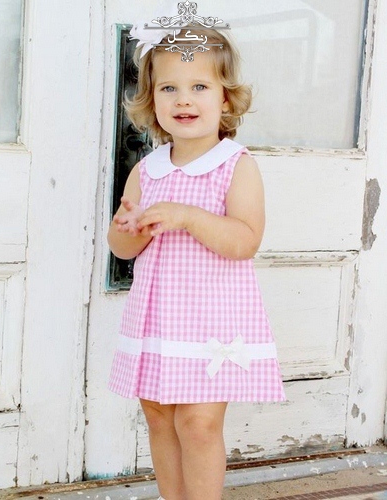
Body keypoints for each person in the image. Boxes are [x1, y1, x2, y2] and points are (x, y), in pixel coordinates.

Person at [107, 24, 285, 500]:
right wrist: (126, 229)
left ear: (225, 99)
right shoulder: (147, 170)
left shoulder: (235, 164)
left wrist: (188, 216)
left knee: (198, 423)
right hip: (157, 320)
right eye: (169, 88)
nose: (183, 99)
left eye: (200, 86)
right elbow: (122, 248)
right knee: (159, 417)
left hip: (210, 322)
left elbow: (245, 240)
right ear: (152, 101)